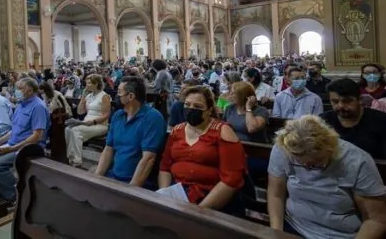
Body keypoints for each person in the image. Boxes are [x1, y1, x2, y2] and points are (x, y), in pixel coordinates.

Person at [267, 115, 386, 238]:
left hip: (339, 235)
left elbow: (376, 219)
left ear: (330, 148)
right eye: (301, 163)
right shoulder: (284, 149)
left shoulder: (357, 161)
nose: (308, 169)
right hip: (295, 227)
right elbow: (275, 194)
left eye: (315, 163)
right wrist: (277, 233)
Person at [159, 86, 246, 214]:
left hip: (211, 198)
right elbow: (165, 167)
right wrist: (165, 196)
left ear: (209, 110)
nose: (191, 109)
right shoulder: (177, 130)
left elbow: (231, 179)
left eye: (198, 107)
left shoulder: (222, 131)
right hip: (178, 194)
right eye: (187, 105)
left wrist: (199, 211)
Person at [0, 78, 49, 203]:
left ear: (30, 90)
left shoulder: (38, 107)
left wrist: (12, 148)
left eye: (20, 88)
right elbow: (14, 129)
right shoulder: (21, 104)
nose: (16, 91)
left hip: (29, 147)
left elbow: (37, 136)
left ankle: (14, 197)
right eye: (16, 88)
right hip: (12, 143)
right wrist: (0, 141)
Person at [95, 76, 166, 189]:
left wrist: (130, 191)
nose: (116, 96)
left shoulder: (153, 118)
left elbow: (148, 159)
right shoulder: (118, 115)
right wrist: (97, 178)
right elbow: (108, 149)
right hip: (113, 176)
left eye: (119, 92)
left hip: (137, 183)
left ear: (130, 96)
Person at [320, 78, 386, 159]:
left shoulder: (381, 121)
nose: (340, 106)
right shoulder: (322, 121)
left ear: (360, 100)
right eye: (335, 101)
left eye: (347, 101)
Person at [65, 74, 111, 167]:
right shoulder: (89, 96)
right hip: (86, 123)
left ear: (96, 83)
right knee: (68, 129)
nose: (87, 85)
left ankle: (77, 161)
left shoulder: (104, 96)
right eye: (86, 83)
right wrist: (83, 96)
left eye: (89, 83)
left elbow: (106, 115)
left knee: (75, 130)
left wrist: (93, 122)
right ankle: (71, 157)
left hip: (100, 125)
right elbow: (80, 112)